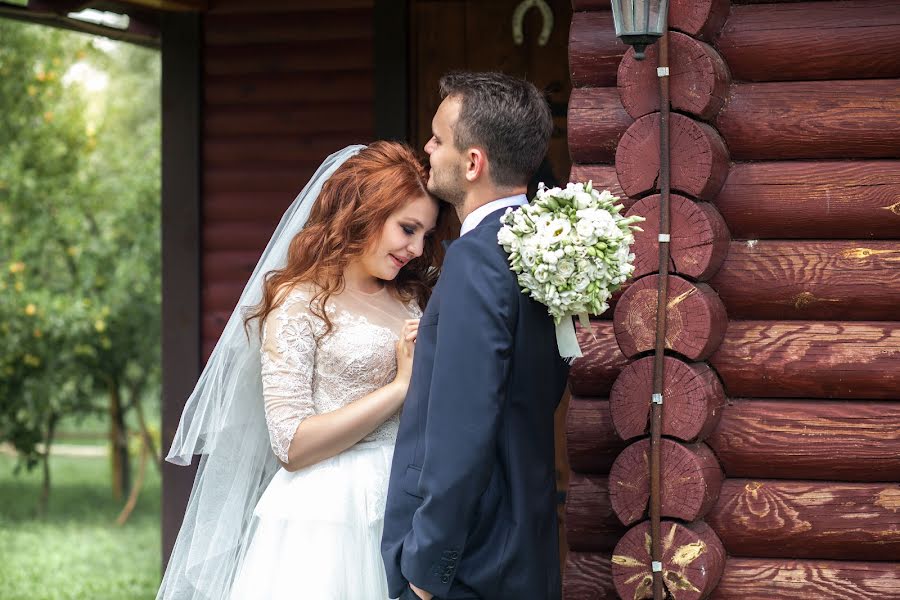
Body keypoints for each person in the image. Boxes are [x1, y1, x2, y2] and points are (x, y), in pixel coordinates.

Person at [157, 142, 448, 600]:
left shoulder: (412, 298)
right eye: (407, 229)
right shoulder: (300, 303)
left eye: (425, 236)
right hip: (330, 516)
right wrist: (399, 389)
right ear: (363, 211)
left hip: (408, 501)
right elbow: (290, 444)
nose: (415, 249)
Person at [381, 72, 571, 600]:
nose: (428, 149)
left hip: (473, 561)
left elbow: (464, 422)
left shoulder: (477, 258)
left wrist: (426, 566)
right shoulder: (542, 248)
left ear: (472, 163)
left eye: (439, 139)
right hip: (526, 543)